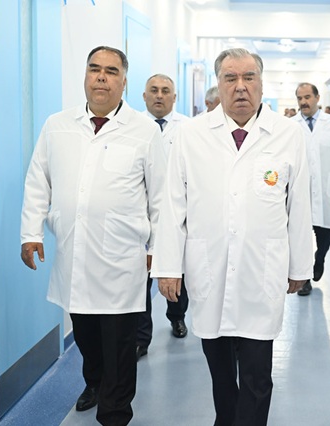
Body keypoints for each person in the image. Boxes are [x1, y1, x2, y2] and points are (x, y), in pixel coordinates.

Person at [151, 47, 312, 426]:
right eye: (230, 78)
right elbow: (172, 205)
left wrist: (301, 266)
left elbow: (300, 205)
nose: (241, 87)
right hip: (210, 269)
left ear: (261, 84)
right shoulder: (191, 134)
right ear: (219, 84)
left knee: (257, 375)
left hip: (262, 271)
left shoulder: (288, 133)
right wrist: (168, 266)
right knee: (221, 373)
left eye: (249, 77)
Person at [20, 46, 166, 426]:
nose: (101, 76)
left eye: (111, 71)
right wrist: (31, 233)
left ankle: (114, 412)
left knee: (119, 345)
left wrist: (159, 249)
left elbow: (160, 197)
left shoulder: (144, 131)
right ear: (85, 76)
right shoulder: (57, 126)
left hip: (122, 261)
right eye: (94, 69)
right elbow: (38, 181)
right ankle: (95, 383)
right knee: (86, 336)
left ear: (124, 81)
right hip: (75, 255)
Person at [137, 74, 190, 357]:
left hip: (179, 211)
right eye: (154, 90)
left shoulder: (188, 129)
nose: (159, 95)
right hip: (142, 212)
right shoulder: (133, 127)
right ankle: (141, 337)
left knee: (177, 270)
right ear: (144, 96)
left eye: (165, 91)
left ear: (174, 97)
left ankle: (177, 317)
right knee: (141, 278)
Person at [292, 82, 330, 296]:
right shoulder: (291, 125)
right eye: (300, 98)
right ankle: (305, 278)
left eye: (307, 97)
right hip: (299, 189)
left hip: (327, 186)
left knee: (325, 231)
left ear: (317, 98)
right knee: (301, 234)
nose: (303, 102)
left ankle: (320, 258)